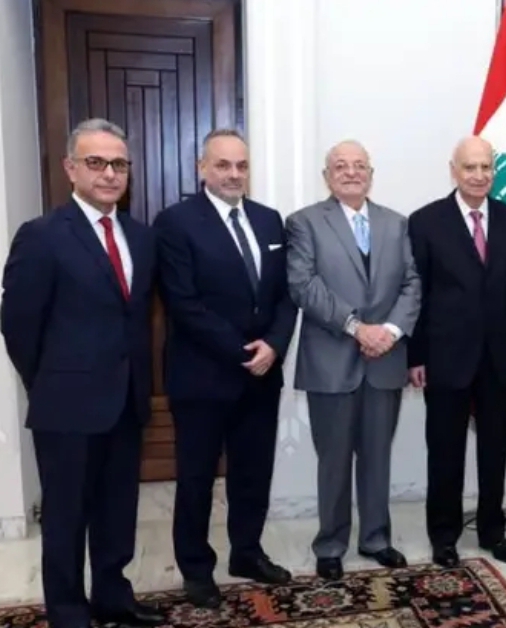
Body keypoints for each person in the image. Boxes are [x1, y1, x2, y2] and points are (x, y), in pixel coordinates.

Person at [0, 118, 165, 628]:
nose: (110, 174)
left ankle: (113, 597)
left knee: (117, 511)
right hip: (66, 406)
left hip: (127, 399)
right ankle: (69, 612)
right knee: (66, 517)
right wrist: (48, 383)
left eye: (119, 164)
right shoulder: (42, 236)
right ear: (71, 168)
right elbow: (18, 324)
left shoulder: (141, 237)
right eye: (96, 162)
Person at [154, 128, 298, 608]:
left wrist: (274, 345)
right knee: (196, 479)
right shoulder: (175, 223)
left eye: (241, 165)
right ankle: (196, 569)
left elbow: (286, 295)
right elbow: (184, 304)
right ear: (202, 168)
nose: (234, 174)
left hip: (263, 375)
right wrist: (245, 352)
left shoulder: (268, 219)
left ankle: (247, 553)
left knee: (253, 473)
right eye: (223, 165)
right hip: (203, 376)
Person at [286, 140, 421, 580]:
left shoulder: (396, 223)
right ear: (327, 176)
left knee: (378, 456)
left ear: (371, 174)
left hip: (385, 360)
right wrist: (356, 327)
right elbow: (304, 285)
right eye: (341, 166)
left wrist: (391, 332)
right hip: (331, 362)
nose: (351, 172)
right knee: (334, 459)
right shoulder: (304, 222)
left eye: (359, 165)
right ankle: (330, 544)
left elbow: (412, 283)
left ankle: (376, 538)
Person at [407, 136, 506, 567]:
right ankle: (444, 536)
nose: (478, 175)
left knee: (496, 450)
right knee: (445, 451)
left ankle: (492, 530)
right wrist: (415, 355)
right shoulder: (425, 221)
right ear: (453, 170)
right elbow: (415, 293)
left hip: (499, 356)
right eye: (469, 167)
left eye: (485, 167)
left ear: (494, 171)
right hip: (444, 357)